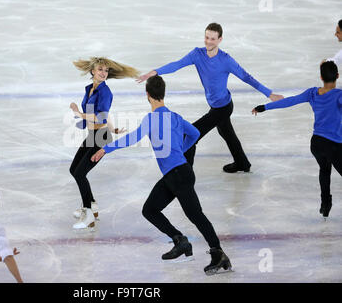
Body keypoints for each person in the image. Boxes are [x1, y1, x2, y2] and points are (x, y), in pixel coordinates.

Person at [91, 75, 232, 275]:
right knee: (150, 209)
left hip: (178, 175)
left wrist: (106, 149)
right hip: (177, 174)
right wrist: (182, 150)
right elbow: (194, 134)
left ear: (147, 95)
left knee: (195, 215)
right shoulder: (175, 117)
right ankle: (180, 241)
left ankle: (218, 254)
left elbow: (133, 138)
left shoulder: (151, 119)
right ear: (162, 94)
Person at [137, 23, 284, 173]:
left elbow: (247, 77)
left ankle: (184, 175)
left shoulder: (226, 60)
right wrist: (154, 72)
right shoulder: (197, 54)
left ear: (220, 39)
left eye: (213, 39)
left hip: (223, 107)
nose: (208, 41)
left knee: (190, 135)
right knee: (227, 133)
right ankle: (242, 163)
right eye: (207, 37)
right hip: (215, 105)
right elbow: (177, 64)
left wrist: (269, 94)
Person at [252, 61, 342, 219]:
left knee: (324, 169)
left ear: (321, 77)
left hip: (317, 143)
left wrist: (264, 107)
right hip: (334, 145)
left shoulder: (312, 93)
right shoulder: (339, 95)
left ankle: (325, 204)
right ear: (338, 76)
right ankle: (325, 204)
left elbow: (290, 101)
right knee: (327, 169)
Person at [69, 57, 139, 229]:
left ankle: (88, 215)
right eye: (100, 69)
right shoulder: (90, 89)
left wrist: (79, 114)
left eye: (106, 70)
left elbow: (100, 115)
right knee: (74, 170)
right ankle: (92, 205)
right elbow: (104, 115)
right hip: (93, 135)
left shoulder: (106, 92)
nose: (103, 73)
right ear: (93, 71)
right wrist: (113, 128)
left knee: (79, 173)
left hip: (101, 138)